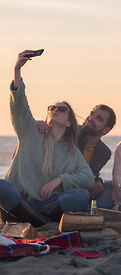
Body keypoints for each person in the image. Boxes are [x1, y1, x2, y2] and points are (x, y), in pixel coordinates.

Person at [0, 50, 94, 227]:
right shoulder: (32, 132)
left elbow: (87, 178)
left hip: (46, 206)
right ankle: (41, 222)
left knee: (81, 195)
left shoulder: (71, 151)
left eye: (61, 109)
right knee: (1, 186)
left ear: (69, 123)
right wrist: (17, 70)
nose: (55, 109)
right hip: (18, 205)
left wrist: (60, 179)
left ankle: (36, 218)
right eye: (52, 108)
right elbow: (19, 106)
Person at [37, 105, 117, 209]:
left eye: (99, 118)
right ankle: (85, 208)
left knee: (112, 187)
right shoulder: (70, 131)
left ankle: (87, 208)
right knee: (81, 194)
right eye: (91, 114)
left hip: (81, 189)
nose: (91, 118)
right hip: (61, 189)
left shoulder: (104, 152)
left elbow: (90, 173)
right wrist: (40, 125)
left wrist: (98, 182)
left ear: (106, 130)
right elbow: (50, 131)